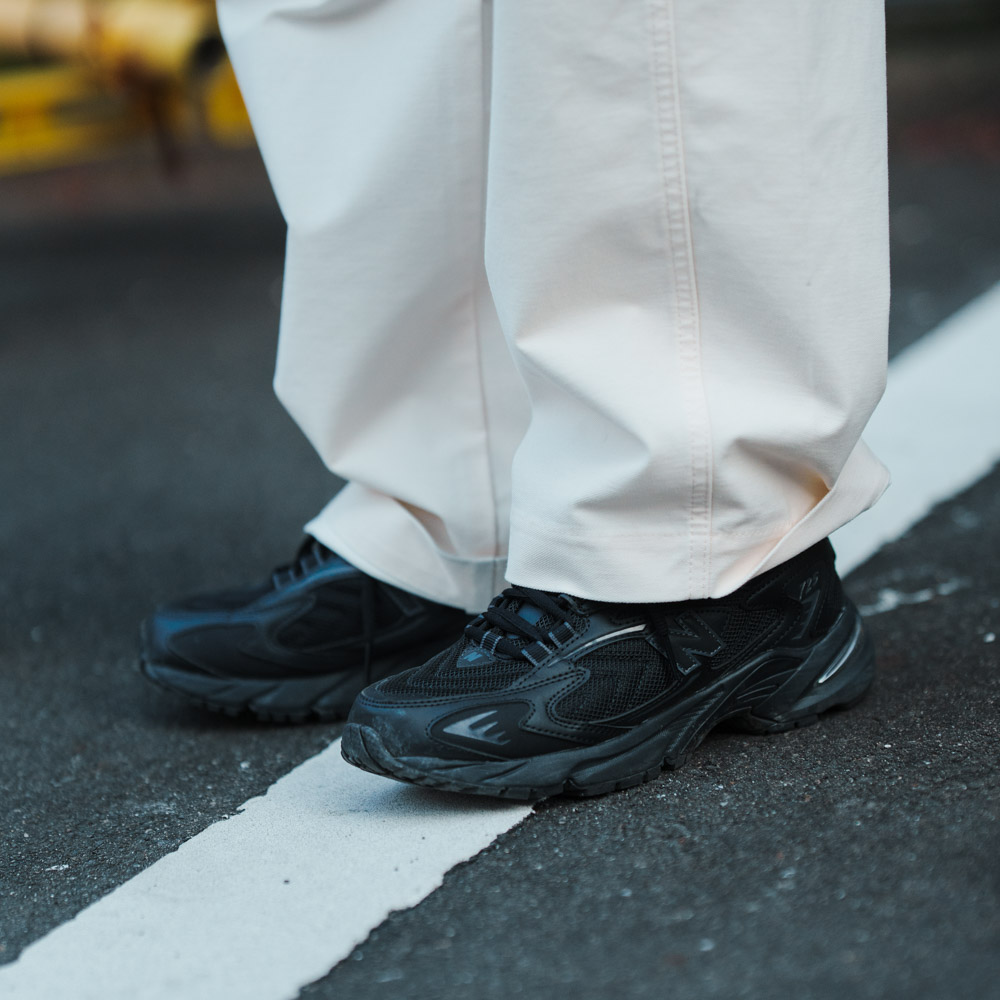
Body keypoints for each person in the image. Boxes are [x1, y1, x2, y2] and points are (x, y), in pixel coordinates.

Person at [141, 0, 890, 800]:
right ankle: (458, 509)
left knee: (623, 25)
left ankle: (696, 539)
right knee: (379, 20)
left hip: (709, 541)